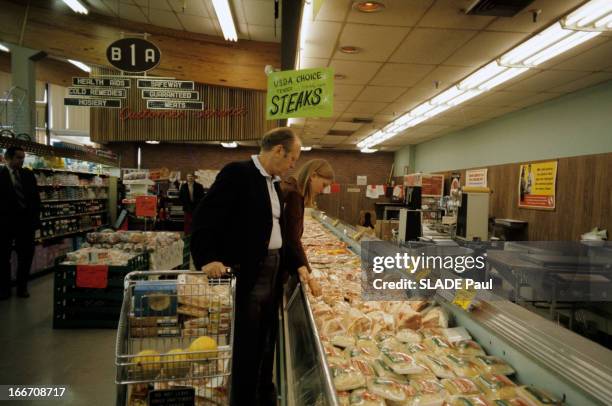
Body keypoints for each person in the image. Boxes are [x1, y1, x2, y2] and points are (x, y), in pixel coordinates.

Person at [190, 127, 301, 406]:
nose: (293, 165)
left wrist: (298, 265)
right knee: (247, 343)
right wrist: (207, 258)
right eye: (292, 158)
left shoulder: (273, 183)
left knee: (266, 340)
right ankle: (243, 398)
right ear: (278, 150)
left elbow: (277, 230)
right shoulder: (237, 173)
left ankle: (262, 394)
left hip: (273, 271)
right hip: (251, 271)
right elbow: (205, 217)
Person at [282, 159, 334, 289]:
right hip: (279, 264)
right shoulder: (294, 194)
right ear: (313, 176)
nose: (323, 191)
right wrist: (310, 276)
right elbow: (292, 238)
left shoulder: (292, 189)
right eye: (324, 184)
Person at [0, 146, 41, 299]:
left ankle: (22, 288)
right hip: (4, 225)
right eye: (18, 157)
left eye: (23, 157)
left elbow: (35, 200)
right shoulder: (1, 175)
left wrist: (36, 221)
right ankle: (4, 289)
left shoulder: (28, 175)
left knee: (26, 257)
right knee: (3, 258)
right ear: (8, 158)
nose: (22, 160)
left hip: (26, 224)